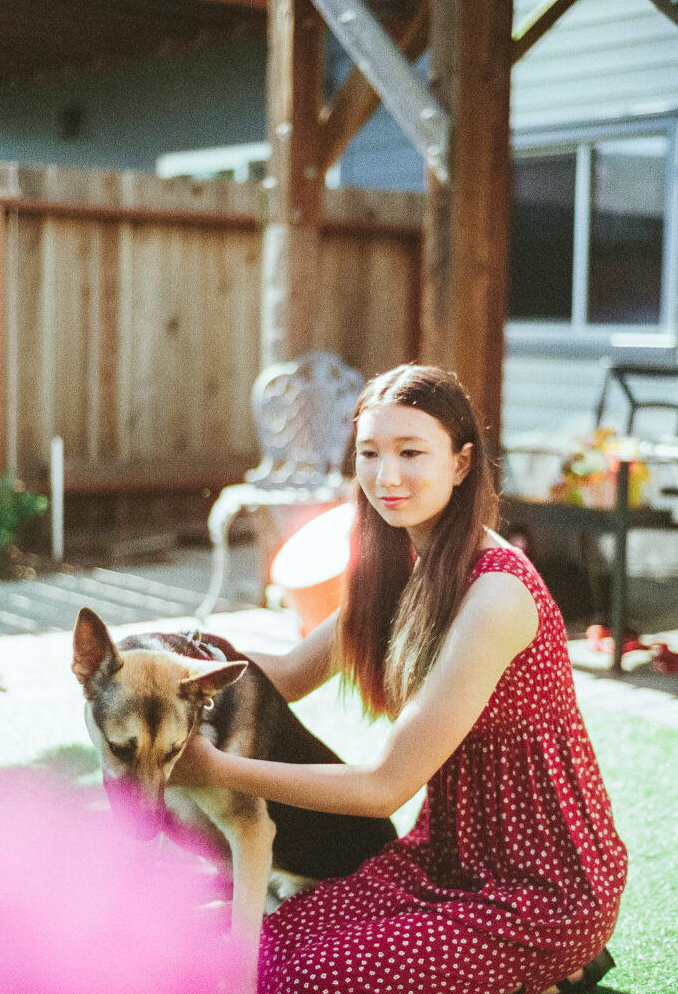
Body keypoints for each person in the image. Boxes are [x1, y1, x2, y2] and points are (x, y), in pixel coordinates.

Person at [173, 364, 628, 994]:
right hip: (439, 861)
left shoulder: (496, 592)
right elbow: (283, 678)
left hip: (540, 887)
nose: (387, 476)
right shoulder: (394, 569)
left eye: (411, 452)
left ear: (462, 464)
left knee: (298, 976)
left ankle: (550, 963)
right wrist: (171, 665)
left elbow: (382, 786)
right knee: (259, 943)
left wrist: (213, 769)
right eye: (369, 453)